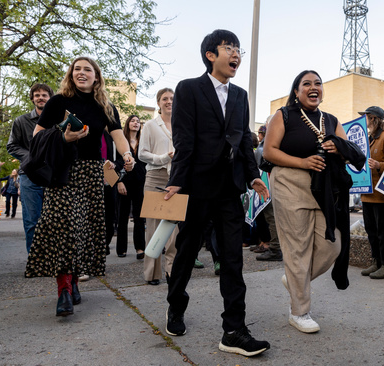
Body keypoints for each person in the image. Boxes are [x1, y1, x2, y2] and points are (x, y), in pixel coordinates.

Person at [163, 29, 270, 357]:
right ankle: (176, 307)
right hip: (196, 186)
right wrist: (177, 180)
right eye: (229, 48)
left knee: (233, 259)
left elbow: (244, 140)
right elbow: (183, 138)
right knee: (186, 252)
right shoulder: (189, 89)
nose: (236, 54)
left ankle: (234, 329)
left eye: (239, 49)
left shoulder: (239, 95)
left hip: (229, 189)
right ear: (211, 54)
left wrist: (253, 176)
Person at [24, 56, 134, 317]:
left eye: (87, 69)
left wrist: (127, 156)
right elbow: (37, 137)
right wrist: (64, 136)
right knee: (64, 228)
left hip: (92, 173)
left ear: (97, 76)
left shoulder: (105, 105)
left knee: (84, 229)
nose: (81, 73)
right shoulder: (58, 102)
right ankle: (63, 290)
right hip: (63, 171)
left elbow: (118, 135)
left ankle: (73, 281)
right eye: (77, 69)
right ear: (70, 74)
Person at [263, 70, 364, 334]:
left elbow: (347, 152)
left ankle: (295, 280)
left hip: (324, 188)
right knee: (297, 249)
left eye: (318, 83)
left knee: (332, 245)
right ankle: (299, 312)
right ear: (296, 91)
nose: (313, 87)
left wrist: (337, 149)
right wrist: (303, 162)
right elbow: (269, 151)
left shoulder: (331, 120)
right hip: (290, 184)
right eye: (306, 83)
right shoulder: (283, 115)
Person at [138, 88, 178, 286]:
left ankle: (172, 271)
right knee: (153, 227)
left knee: (174, 228)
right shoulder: (151, 126)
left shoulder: (183, 124)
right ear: (158, 102)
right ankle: (152, 273)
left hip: (176, 180)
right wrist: (163, 157)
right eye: (165, 99)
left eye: (172, 98)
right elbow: (142, 153)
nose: (169, 101)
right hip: (155, 177)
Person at [7, 83, 53, 252]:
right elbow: (12, 146)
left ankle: (51, 257)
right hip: (29, 175)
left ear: (50, 98)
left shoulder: (58, 120)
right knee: (32, 219)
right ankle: (35, 258)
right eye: (37, 95)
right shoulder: (21, 120)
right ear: (32, 98)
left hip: (53, 175)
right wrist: (32, 157)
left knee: (53, 219)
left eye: (44, 95)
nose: (40, 98)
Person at [358, 106, 384, 279]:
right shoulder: (368, 138)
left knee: (383, 232)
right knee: (371, 231)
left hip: (381, 196)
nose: (364, 121)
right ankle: (377, 262)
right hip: (367, 194)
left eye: (366, 118)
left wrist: (379, 165)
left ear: (373, 119)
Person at [116, 114, 146, 259]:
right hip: (125, 182)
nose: (136, 123)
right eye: (133, 121)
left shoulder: (144, 141)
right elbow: (115, 162)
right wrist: (118, 182)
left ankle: (140, 248)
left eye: (138, 121)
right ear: (127, 124)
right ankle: (121, 248)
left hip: (141, 182)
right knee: (123, 215)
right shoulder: (122, 141)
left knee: (140, 216)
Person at [254, 118, 283, 262]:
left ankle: (276, 249)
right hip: (270, 182)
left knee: (272, 217)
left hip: (272, 183)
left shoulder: (274, 141)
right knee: (270, 216)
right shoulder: (273, 141)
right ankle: (274, 247)